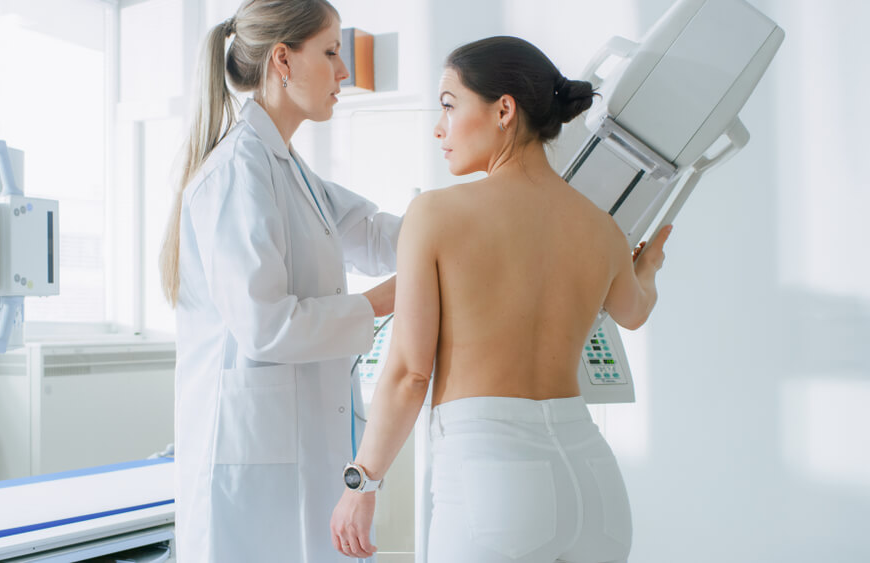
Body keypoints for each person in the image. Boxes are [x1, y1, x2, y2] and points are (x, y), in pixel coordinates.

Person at [329, 36, 673, 563]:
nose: (439, 127)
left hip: (493, 482)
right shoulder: (602, 230)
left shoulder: (436, 215)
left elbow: (409, 373)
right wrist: (644, 268)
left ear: (504, 110)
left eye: (449, 105)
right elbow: (634, 311)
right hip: (593, 485)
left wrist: (362, 484)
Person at [158, 0, 402, 561]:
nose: (344, 71)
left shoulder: (287, 167)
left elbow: (370, 232)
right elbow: (266, 327)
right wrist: (384, 300)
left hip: (296, 451)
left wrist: (474, 226)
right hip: (250, 471)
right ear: (283, 61)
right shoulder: (237, 170)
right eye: (332, 52)